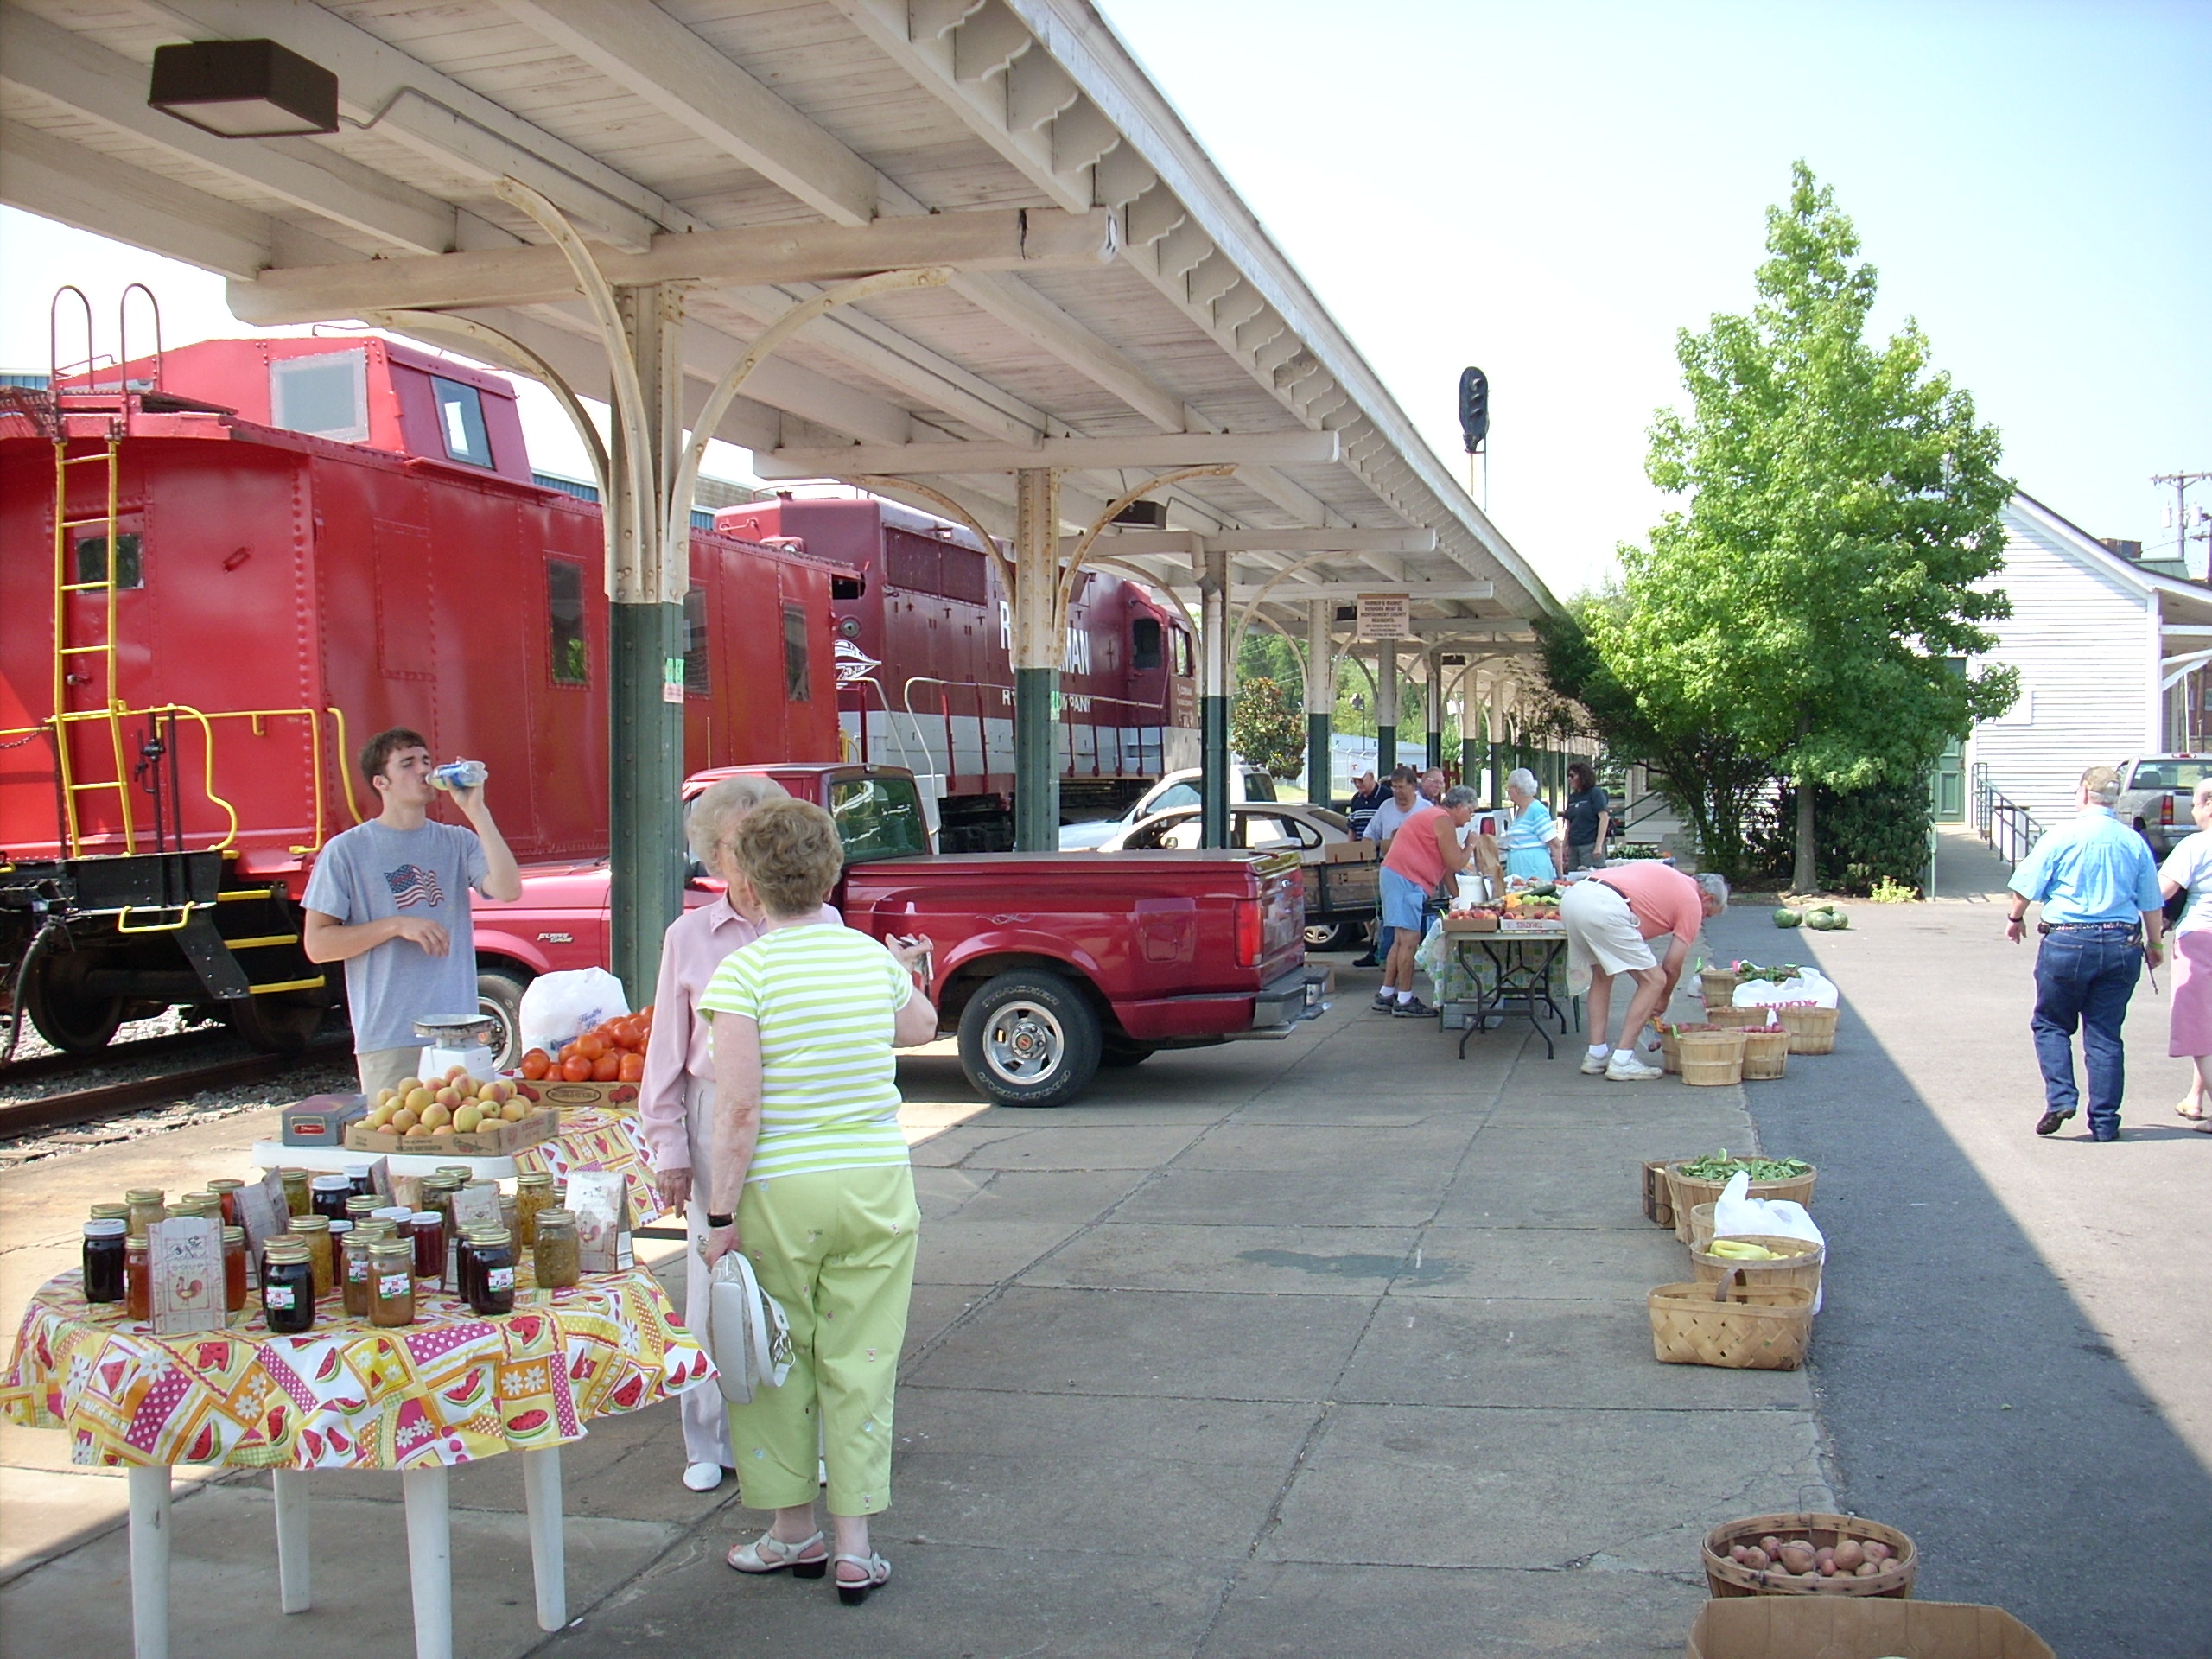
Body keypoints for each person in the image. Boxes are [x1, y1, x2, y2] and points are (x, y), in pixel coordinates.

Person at [701, 798, 939, 1605]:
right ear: (832, 872)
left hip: (779, 1191)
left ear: (749, 883)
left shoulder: (743, 973)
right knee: (862, 1361)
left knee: (776, 1360)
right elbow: (919, 1028)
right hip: (875, 1182)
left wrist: (720, 1216)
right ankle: (855, 1548)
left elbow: (736, 1110)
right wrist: (912, 969)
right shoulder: (871, 962)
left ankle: (788, 1531)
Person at [639, 775, 885, 1493]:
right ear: (715, 856)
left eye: (764, 837)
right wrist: (669, 1146)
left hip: (798, 1112)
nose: (753, 855)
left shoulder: (823, 925)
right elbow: (666, 1050)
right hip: (718, 1111)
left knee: (789, 1282)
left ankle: (791, 1438)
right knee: (717, 1279)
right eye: (738, 843)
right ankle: (708, 1437)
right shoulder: (688, 936)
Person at [302, 728, 520, 1098]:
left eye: (425, 761)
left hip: (459, 1033)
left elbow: (508, 889)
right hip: (391, 1035)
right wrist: (396, 924)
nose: (422, 770)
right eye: (407, 764)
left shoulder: (457, 840)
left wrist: (477, 812)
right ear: (381, 782)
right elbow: (318, 945)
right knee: (401, 1148)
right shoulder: (347, 851)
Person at [2006, 765, 2165, 1141]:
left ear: (2082, 794)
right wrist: (2156, 944)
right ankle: (2106, 1121)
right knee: (2105, 1032)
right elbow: (2150, 901)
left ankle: (2061, 1096)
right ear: (2116, 800)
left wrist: (2015, 918)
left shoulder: (2061, 836)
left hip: (2068, 940)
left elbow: (2026, 884)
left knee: (2052, 1022)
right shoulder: (2132, 842)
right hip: (2121, 942)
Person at [1560, 862, 1726, 1081]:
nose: (1702, 920)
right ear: (1707, 898)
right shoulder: (1692, 901)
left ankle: (1596, 1055)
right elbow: (1672, 965)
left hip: (1574, 898)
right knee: (1654, 981)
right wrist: (1663, 998)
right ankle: (1622, 1060)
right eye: (1708, 915)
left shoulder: (1674, 880)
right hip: (1605, 907)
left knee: (1602, 976)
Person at [1375, 785, 1480, 1018]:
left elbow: (1445, 870)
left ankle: (1386, 993)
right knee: (1409, 940)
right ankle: (1404, 999)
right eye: (1470, 812)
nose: (1470, 818)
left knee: (1401, 940)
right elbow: (1455, 863)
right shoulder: (1443, 821)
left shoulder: (1433, 816)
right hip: (1406, 879)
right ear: (1460, 807)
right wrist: (1470, 844)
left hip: (1397, 875)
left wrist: (1459, 899)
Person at [2157, 778, 2212, 1132]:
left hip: (2201, 937)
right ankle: (2195, 1096)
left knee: (2196, 1024)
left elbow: (2162, 889)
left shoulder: (2196, 845)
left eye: (2194, 803)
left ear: (2208, 804)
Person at [1495, 768, 1558, 883]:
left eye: (1509, 788)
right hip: (1519, 870)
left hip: (1534, 869)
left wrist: (1560, 876)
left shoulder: (1536, 810)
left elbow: (1555, 843)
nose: (1508, 792)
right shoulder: (1520, 811)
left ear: (1515, 790)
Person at [1562, 762, 1611, 871]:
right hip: (1574, 845)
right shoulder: (1573, 797)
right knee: (1573, 877)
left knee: (1591, 878)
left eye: (1572, 776)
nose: (1569, 779)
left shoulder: (1595, 793)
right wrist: (1565, 845)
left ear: (1582, 776)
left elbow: (1604, 818)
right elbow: (1569, 823)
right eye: (1568, 776)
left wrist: (1598, 845)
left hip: (1590, 844)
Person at [1345, 771, 1388, 841]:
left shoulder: (1387, 796)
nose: (1358, 784)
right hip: (1361, 849)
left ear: (1371, 777)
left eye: (1360, 780)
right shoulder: (1356, 799)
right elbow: (1352, 830)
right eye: (1354, 781)